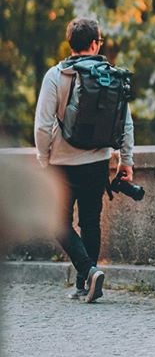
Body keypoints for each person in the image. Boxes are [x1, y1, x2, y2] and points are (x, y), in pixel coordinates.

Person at [34, 17, 134, 303]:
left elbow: (42, 125)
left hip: (62, 162)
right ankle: (85, 282)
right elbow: (125, 123)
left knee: (57, 222)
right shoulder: (112, 75)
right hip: (97, 161)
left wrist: (44, 159)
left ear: (71, 44)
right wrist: (126, 161)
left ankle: (88, 274)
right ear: (94, 44)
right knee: (90, 222)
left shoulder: (56, 75)